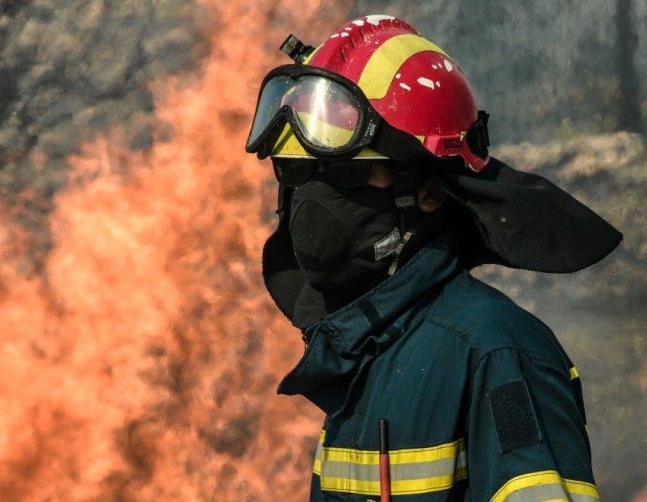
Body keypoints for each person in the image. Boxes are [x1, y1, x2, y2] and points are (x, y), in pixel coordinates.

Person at [244, 15, 621, 501]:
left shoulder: (498, 353)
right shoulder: (361, 353)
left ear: (428, 190)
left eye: (347, 175)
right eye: (298, 172)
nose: (314, 198)